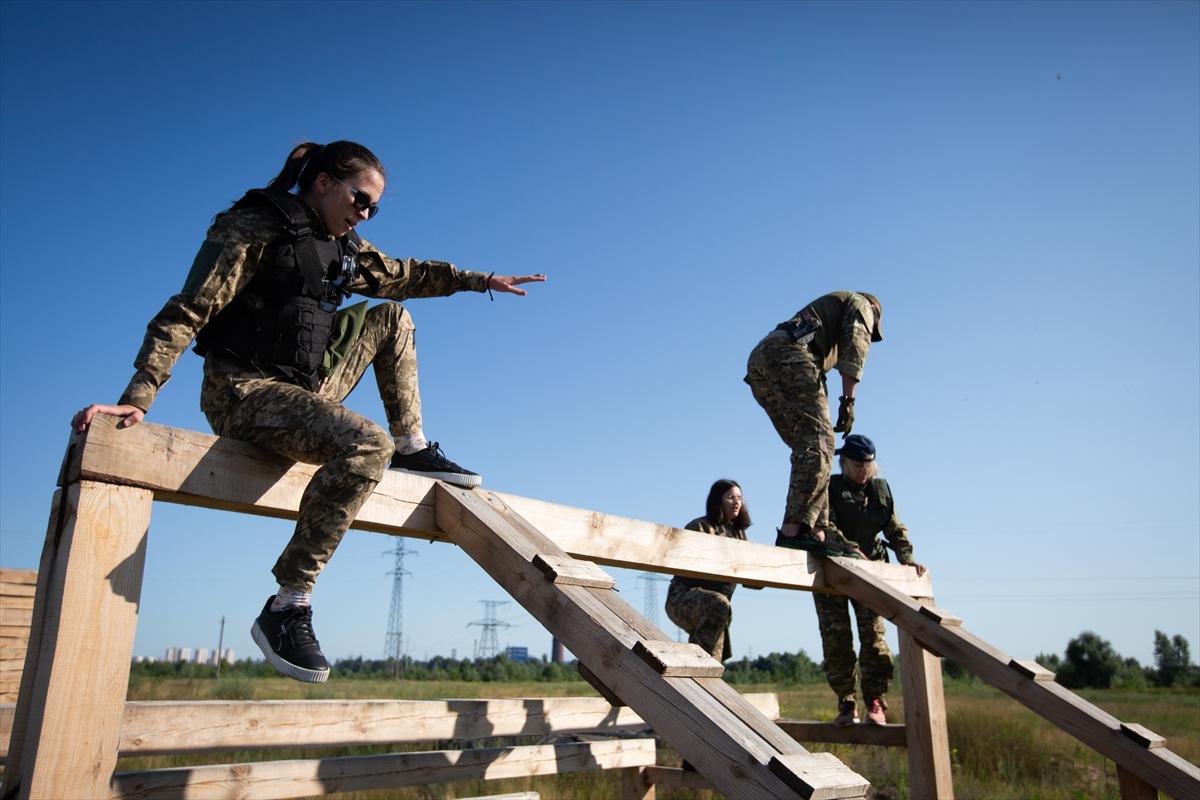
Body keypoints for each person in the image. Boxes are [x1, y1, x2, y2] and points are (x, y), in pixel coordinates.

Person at [71, 140, 546, 683]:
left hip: (307, 390)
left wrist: (480, 280)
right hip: (243, 392)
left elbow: (408, 275)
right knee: (367, 443)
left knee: (392, 317)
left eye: (374, 208)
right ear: (322, 183)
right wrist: (139, 395)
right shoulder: (252, 227)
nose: (364, 214)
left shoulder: (344, 249)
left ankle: (413, 449)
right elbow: (188, 310)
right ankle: (287, 606)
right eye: (359, 199)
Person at [743, 291, 883, 556]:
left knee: (811, 446)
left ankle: (820, 527)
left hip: (762, 362)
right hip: (791, 354)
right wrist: (848, 403)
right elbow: (855, 348)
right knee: (820, 442)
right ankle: (795, 530)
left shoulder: (833, 309)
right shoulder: (863, 305)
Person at [815, 434, 926, 725]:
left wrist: (907, 558)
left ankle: (875, 701)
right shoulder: (830, 487)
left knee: (875, 640)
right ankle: (846, 703)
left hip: (872, 573)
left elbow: (895, 528)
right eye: (856, 465)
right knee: (837, 641)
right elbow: (826, 525)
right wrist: (850, 549)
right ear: (844, 463)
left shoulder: (881, 490)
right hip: (833, 572)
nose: (863, 470)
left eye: (868, 464)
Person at [664, 479, 751, 662]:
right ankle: (694, 663)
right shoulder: (699, 527)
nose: (736, 502)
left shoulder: (740, 535)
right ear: (717, 501)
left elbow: (750, 578)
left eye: (739, 498)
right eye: (730, 497)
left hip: (716, 606)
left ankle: (697, 672)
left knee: (714, 659)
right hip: (683, 598)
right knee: (719, 605)